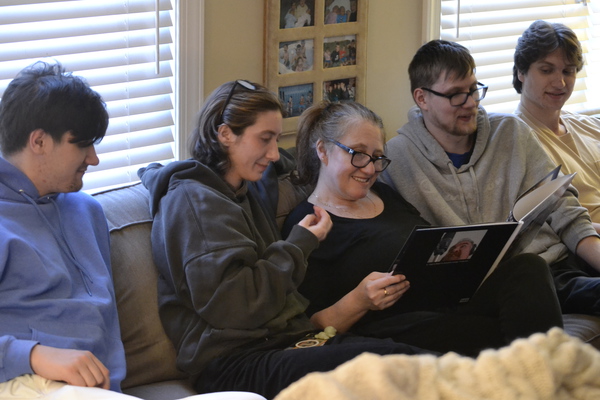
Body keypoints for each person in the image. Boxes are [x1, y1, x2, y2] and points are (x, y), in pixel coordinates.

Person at [138, 80, 433, 399]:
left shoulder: (239, 190)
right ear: (225, 134)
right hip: (235, 362)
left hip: (289, 342)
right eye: (264, 139)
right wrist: (299, 243)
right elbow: (236, 308)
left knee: (415, 361)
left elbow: (287, 162)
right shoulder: (194, 203)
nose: (273, 153)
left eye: (276, 140)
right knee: (394, 369)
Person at [282, 100, 563, 357]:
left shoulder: (384, 195)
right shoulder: (307, 223)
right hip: (395, 328)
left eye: (377, 157)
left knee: (529, 267)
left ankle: (541, 371)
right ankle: (543, 372)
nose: (369, 169)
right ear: (323, 150)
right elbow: (310, 326)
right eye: (358, 154)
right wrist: (360, 300)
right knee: (505, 329)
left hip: (449, 302)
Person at [379, 39, 600, 316]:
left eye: (473, 90)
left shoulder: (511, 132)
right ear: (422, 98)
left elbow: (565, 210)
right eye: (456, 94)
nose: (470, 103)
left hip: (558, 264)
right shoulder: (396, 159)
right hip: (498, 287)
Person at [0, 62, 128, 397]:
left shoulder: (87, 212)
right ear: (39, 141)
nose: (94, 158)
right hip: (23, 379)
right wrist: (33, 355)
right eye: (82, 144)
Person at [513, 20, 600, 234]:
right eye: (546, 70)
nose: (560, 83)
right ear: (521, 72)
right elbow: (550, 224)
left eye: (568, 71)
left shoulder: (588, 126)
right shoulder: (518, 141)